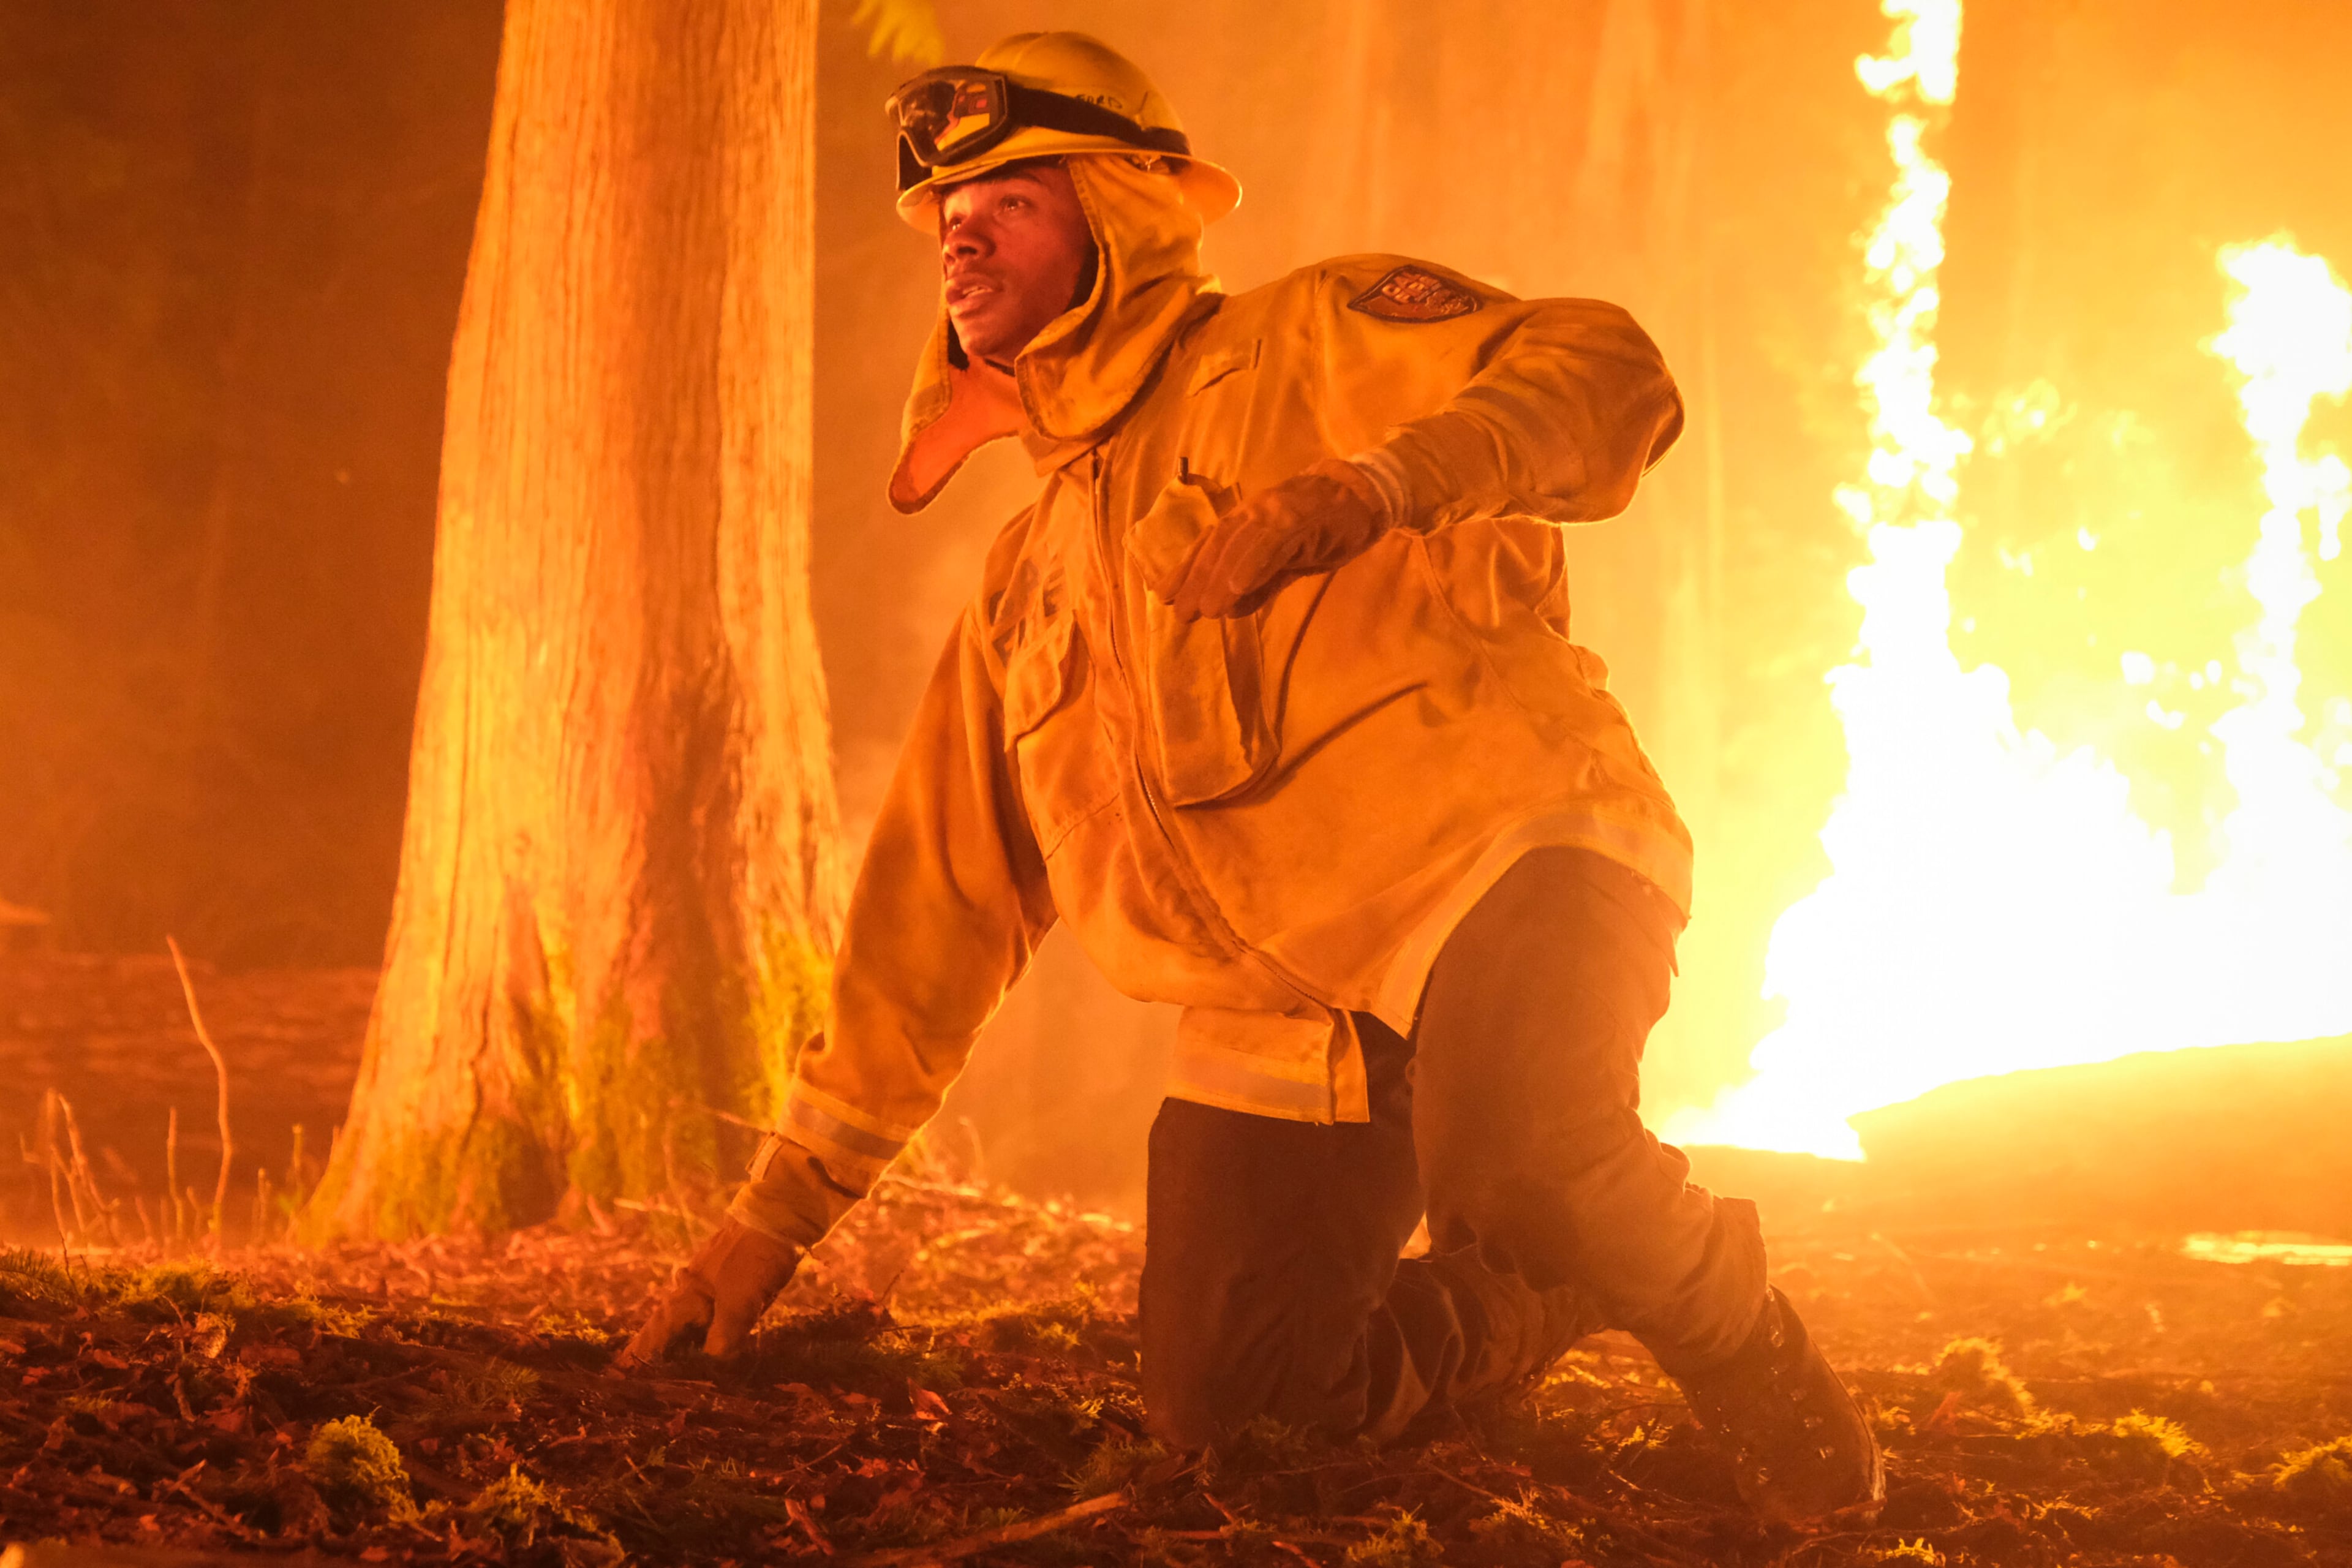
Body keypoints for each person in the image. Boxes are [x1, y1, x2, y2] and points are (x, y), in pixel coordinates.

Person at [626, 31, 1881, 1521]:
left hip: (1511, 864)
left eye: (1010, 199)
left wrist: (1374, 486)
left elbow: (1608, 372)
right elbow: (935, 920)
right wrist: (767, 1227)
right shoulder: (1027, 583)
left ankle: (1756, 1362)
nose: (962, 233)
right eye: (947, 218)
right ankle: (1547, 1291)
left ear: (1127, 207)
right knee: (1237, 1413)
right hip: (1288, 1015)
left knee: (1531, 1150)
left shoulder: (1311, 334)